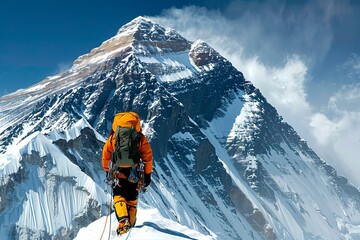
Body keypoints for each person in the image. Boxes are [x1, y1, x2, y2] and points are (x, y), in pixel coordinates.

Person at [101, 112, 153, 235]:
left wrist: (107, 170)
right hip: (134, 172)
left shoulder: (114, 137)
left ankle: (123, 221)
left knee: (118, 195)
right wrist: (147, 174)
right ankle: (131, 223)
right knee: (131, 197)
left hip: (118, 172)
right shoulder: (139, 137)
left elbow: (106, 154)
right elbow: (148, 157)